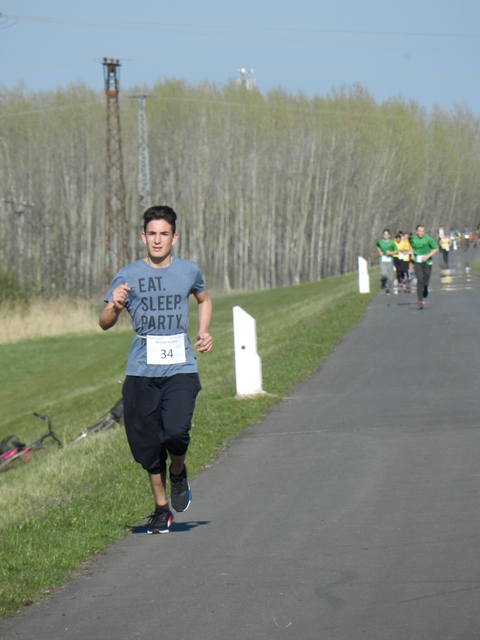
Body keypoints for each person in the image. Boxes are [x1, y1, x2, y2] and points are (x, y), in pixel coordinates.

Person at [100, 205, 213, 534]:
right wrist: (115, 305)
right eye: (152, 234)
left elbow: (204, 300)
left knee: (175, 431)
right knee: (147, 444)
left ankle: (178, 470)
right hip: (141, 370)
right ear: (143, 237)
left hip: (181, 367)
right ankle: (162, 509)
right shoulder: (128, 274)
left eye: (164, 234)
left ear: (174, 237)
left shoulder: (189, 271)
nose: (158, 240)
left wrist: (204, 331)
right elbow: (104, 322)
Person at [409, 224, 439, 310]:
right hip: (418, 261)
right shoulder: (413, 238)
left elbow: (436, 249)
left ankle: (425, 287)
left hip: (427, 262)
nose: (421, 233)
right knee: (420, 279)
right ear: (416, 232)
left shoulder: (428, 238)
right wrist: (412, 254)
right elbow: (410, 245)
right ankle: (420, 301)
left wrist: (428, 256)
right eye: (419, 231)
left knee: (426, 278)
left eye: (422, 231)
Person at [375, 229, 397, 295]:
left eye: (387, 234)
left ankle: (387, 288)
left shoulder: (392, 242)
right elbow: (377, 246)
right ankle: (383, 281)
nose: (386, 235)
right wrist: (380, 252)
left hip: (390, 259)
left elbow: (396, 250)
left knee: (390, 276)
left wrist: (391, 252)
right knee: (384, 273)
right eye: (384, 234)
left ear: (389, 235)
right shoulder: (380, 242)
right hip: (382, 259)